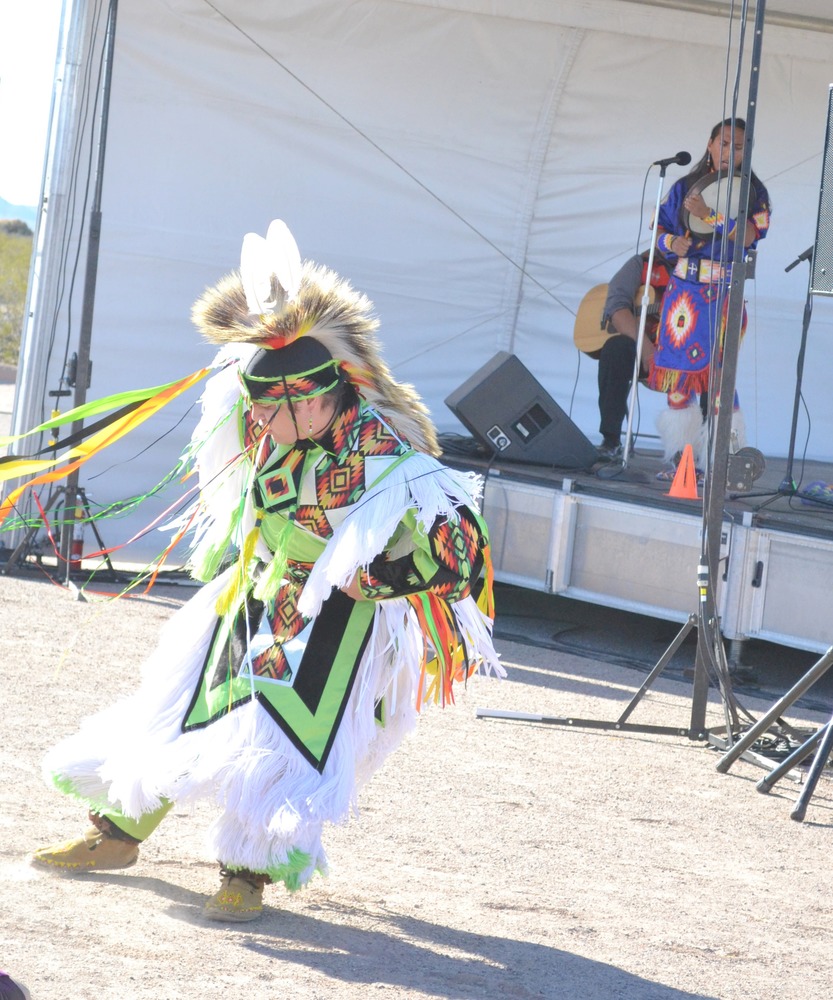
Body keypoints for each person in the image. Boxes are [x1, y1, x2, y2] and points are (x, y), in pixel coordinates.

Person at [29, 220, 502, 922]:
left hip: (339, 623)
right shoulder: (266, 424)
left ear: (318, 397)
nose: (263, 425)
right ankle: (118, 835)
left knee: (282, 738)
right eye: (256, 407)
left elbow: (462, 551)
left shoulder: (389, 460)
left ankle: (246, 874)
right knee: (184, 710)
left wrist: (370, 582)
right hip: (257, 591)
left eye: (276, 410)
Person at [647, 117, 771, 477]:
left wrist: (710, 215)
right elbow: (658, 232)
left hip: (724, 296)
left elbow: (749, 236)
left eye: (739, 145)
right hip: (683, 296)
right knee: (678, 377)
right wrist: (674, 243)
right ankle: (682, 462)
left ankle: (723, 463)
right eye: (725, 142)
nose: (731, 150)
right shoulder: (686, 186)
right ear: (711, 143)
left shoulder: (754, 192)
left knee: (720, 378)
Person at [596, 250, 670, 460]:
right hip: (645, 350)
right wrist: (647, 350)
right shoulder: (642, 263)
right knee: (615, 349)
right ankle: (611, 440)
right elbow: (616, 307)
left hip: (681, 353)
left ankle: (696, 450)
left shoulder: (703, 268)